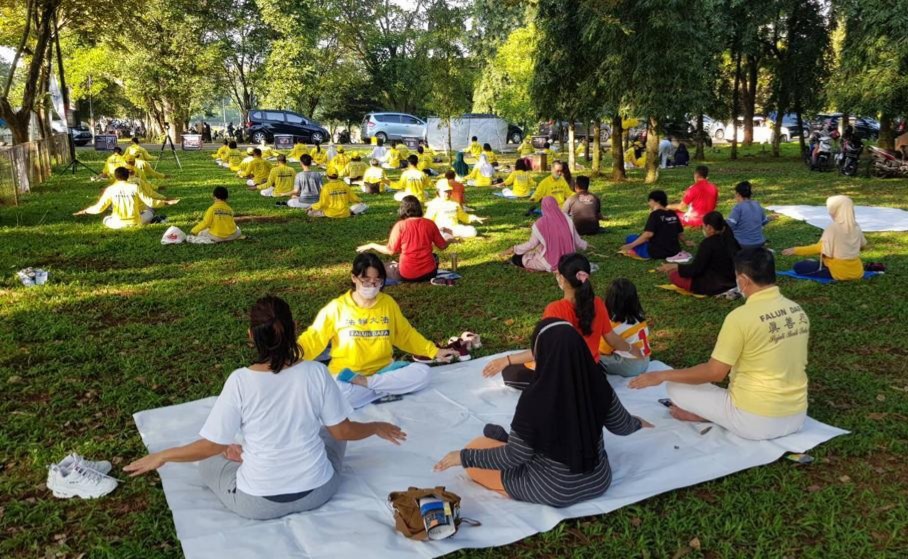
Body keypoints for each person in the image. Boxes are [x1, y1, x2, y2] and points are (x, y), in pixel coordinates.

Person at [124, 296, 407, 519]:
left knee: (209, 459)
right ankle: (245, 454)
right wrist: (375, 426)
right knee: (332, 431)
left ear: (251, 335)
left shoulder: (240, 380)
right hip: (319, 491)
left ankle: (240, 456)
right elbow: (343, 431)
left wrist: (164, 455)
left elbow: (211, 446)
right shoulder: (316, 372)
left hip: (257, 503)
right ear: (294, 328)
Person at [434, 318, 651, 507]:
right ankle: (508, 440)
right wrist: (637, 422)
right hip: (598, 480)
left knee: (477, 446)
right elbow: (621, 426)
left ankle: (505, 441)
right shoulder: (598, 384)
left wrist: (463, 457)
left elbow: (514, 457)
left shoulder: (535, 398)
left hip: (551, 488)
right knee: (519, 446)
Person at [630, 248, 809, 441]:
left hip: (754, 421)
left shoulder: (740, 318)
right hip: (797, 416)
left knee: (675, 387)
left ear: (743, 280)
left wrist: (661, 375)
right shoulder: (797, 310)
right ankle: (713, 414)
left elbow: (714, 373)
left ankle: (707, 416)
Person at [298, 254, 458, 408]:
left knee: (423, 373)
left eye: (377, 281)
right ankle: (382, 389)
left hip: (384, 371)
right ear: (354, 278)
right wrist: (291, 356)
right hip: (345, 377)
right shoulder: (337, 308)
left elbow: (405, 334)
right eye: (366, 281)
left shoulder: (387, 303)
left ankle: (368, 385)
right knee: (336, 393)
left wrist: (434, 351)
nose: (372, 286)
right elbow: (314, 338)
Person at [483, 253, 643, 388]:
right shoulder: (598, 303)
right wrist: (632, 349)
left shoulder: (555, 309)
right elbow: (612, 339)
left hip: (564, 376)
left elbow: (541, 352)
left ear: (562, 278)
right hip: (591, 372)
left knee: (510, 373)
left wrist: (506, 360)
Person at [357, 196, 448, 282]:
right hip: (430, 273)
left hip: (407, 274)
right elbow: (442, 246)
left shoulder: (400, 226)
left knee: (384, 267)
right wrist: (450, 239)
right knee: (434, 256)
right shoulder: (430, 223)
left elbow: (390, 251)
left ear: (402, 209)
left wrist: (372, 245)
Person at [782, 195, 866, 281]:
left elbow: (820, 248)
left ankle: (813, 263)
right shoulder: (856, 226)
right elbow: (863, 246)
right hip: (857, 272)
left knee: (799, 266)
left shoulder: (833, 227)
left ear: (835, 210)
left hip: (838, 272)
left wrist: (796, 250)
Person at [658, 211, 740, 295]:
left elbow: (695, 270)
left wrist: (675, 267)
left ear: (709, 227)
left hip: (714, 285)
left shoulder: (708, 243)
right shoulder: (732, 240)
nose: (703, 229)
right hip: (733, 281)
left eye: (703, 226)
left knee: (673, 274)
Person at [502, 197, 587, 272]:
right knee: (536, 250)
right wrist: (585, 245)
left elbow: (531, 244)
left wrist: (514, 249)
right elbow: (576, 240)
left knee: (517, 258)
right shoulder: (567, 218)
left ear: (543, 207)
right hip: (570, 260)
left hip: (551, 263)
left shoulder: (539, 224)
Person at [74, 167, 178, 229]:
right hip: (135, 222)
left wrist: (84, 211)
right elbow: (150, 202)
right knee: (149, 213)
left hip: (117, 224)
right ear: (128, 176)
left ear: (116, 177)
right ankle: (152, 220)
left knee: (106, 219)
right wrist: (167, 202)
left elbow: (99, 208)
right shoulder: (135, 187)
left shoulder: (110, 189)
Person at [600, 278, 652, 377]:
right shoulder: (640, 318)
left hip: (629, 366)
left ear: (610, 300)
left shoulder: (613, 326)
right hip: (646, 361)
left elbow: (603, 351)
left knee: (592, 358)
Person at [621, 190, 689, 260]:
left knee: (631, 238)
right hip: (674, 251)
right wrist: (686, 241)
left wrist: (631, 245)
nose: (649, 203)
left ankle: (638, 251)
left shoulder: (655, 214)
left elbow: (648, 234)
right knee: (639, 238)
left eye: (650, 201)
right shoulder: (672, 213)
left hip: (656, 252)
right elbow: (680, 232)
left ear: (656, 201)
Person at [727, 181, 774, 249]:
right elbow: (763, 222)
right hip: (759, 242)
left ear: (738, 194)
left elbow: (729, 225)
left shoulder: (738, 207)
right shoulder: (757, 204)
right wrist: (768, 218)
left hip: (742, 243)